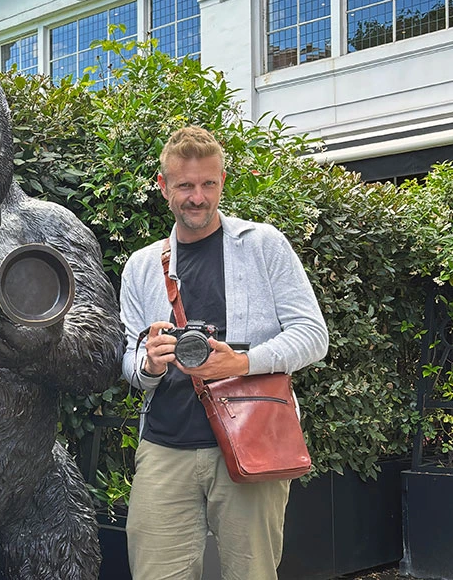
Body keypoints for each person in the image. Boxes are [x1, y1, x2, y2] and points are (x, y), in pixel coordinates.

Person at [119, 125, 328, 580]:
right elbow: (130, 361)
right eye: (185, 185)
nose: (197, 197)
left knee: (250, 574)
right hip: (165, 445)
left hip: (253, 440)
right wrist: (149, 363)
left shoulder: (262, 245)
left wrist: (242, 362)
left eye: (208, 183)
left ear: (223, 181)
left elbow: (313, 335)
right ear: (163, 187)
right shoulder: (141, 266)